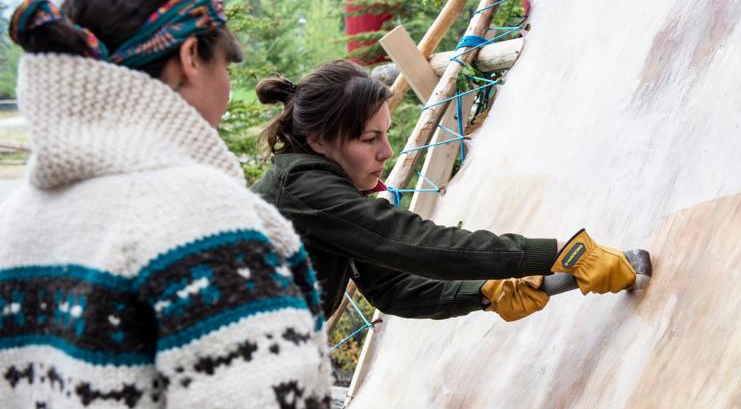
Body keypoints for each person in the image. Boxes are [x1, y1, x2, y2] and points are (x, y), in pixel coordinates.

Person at [0, 0, 344, 409]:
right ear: (190, 58)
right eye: (225, 64)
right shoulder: (199, 217)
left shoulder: (19, 220)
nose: (228, 82)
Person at [251, 61, 651, 323]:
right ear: (319, 140)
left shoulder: (321, 193)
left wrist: (485, 291)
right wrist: (559, 253)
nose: (386, 152)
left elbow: (392, 288)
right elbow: (415, 242)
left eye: (385, 135)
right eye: (370, 138)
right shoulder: (305, 190)